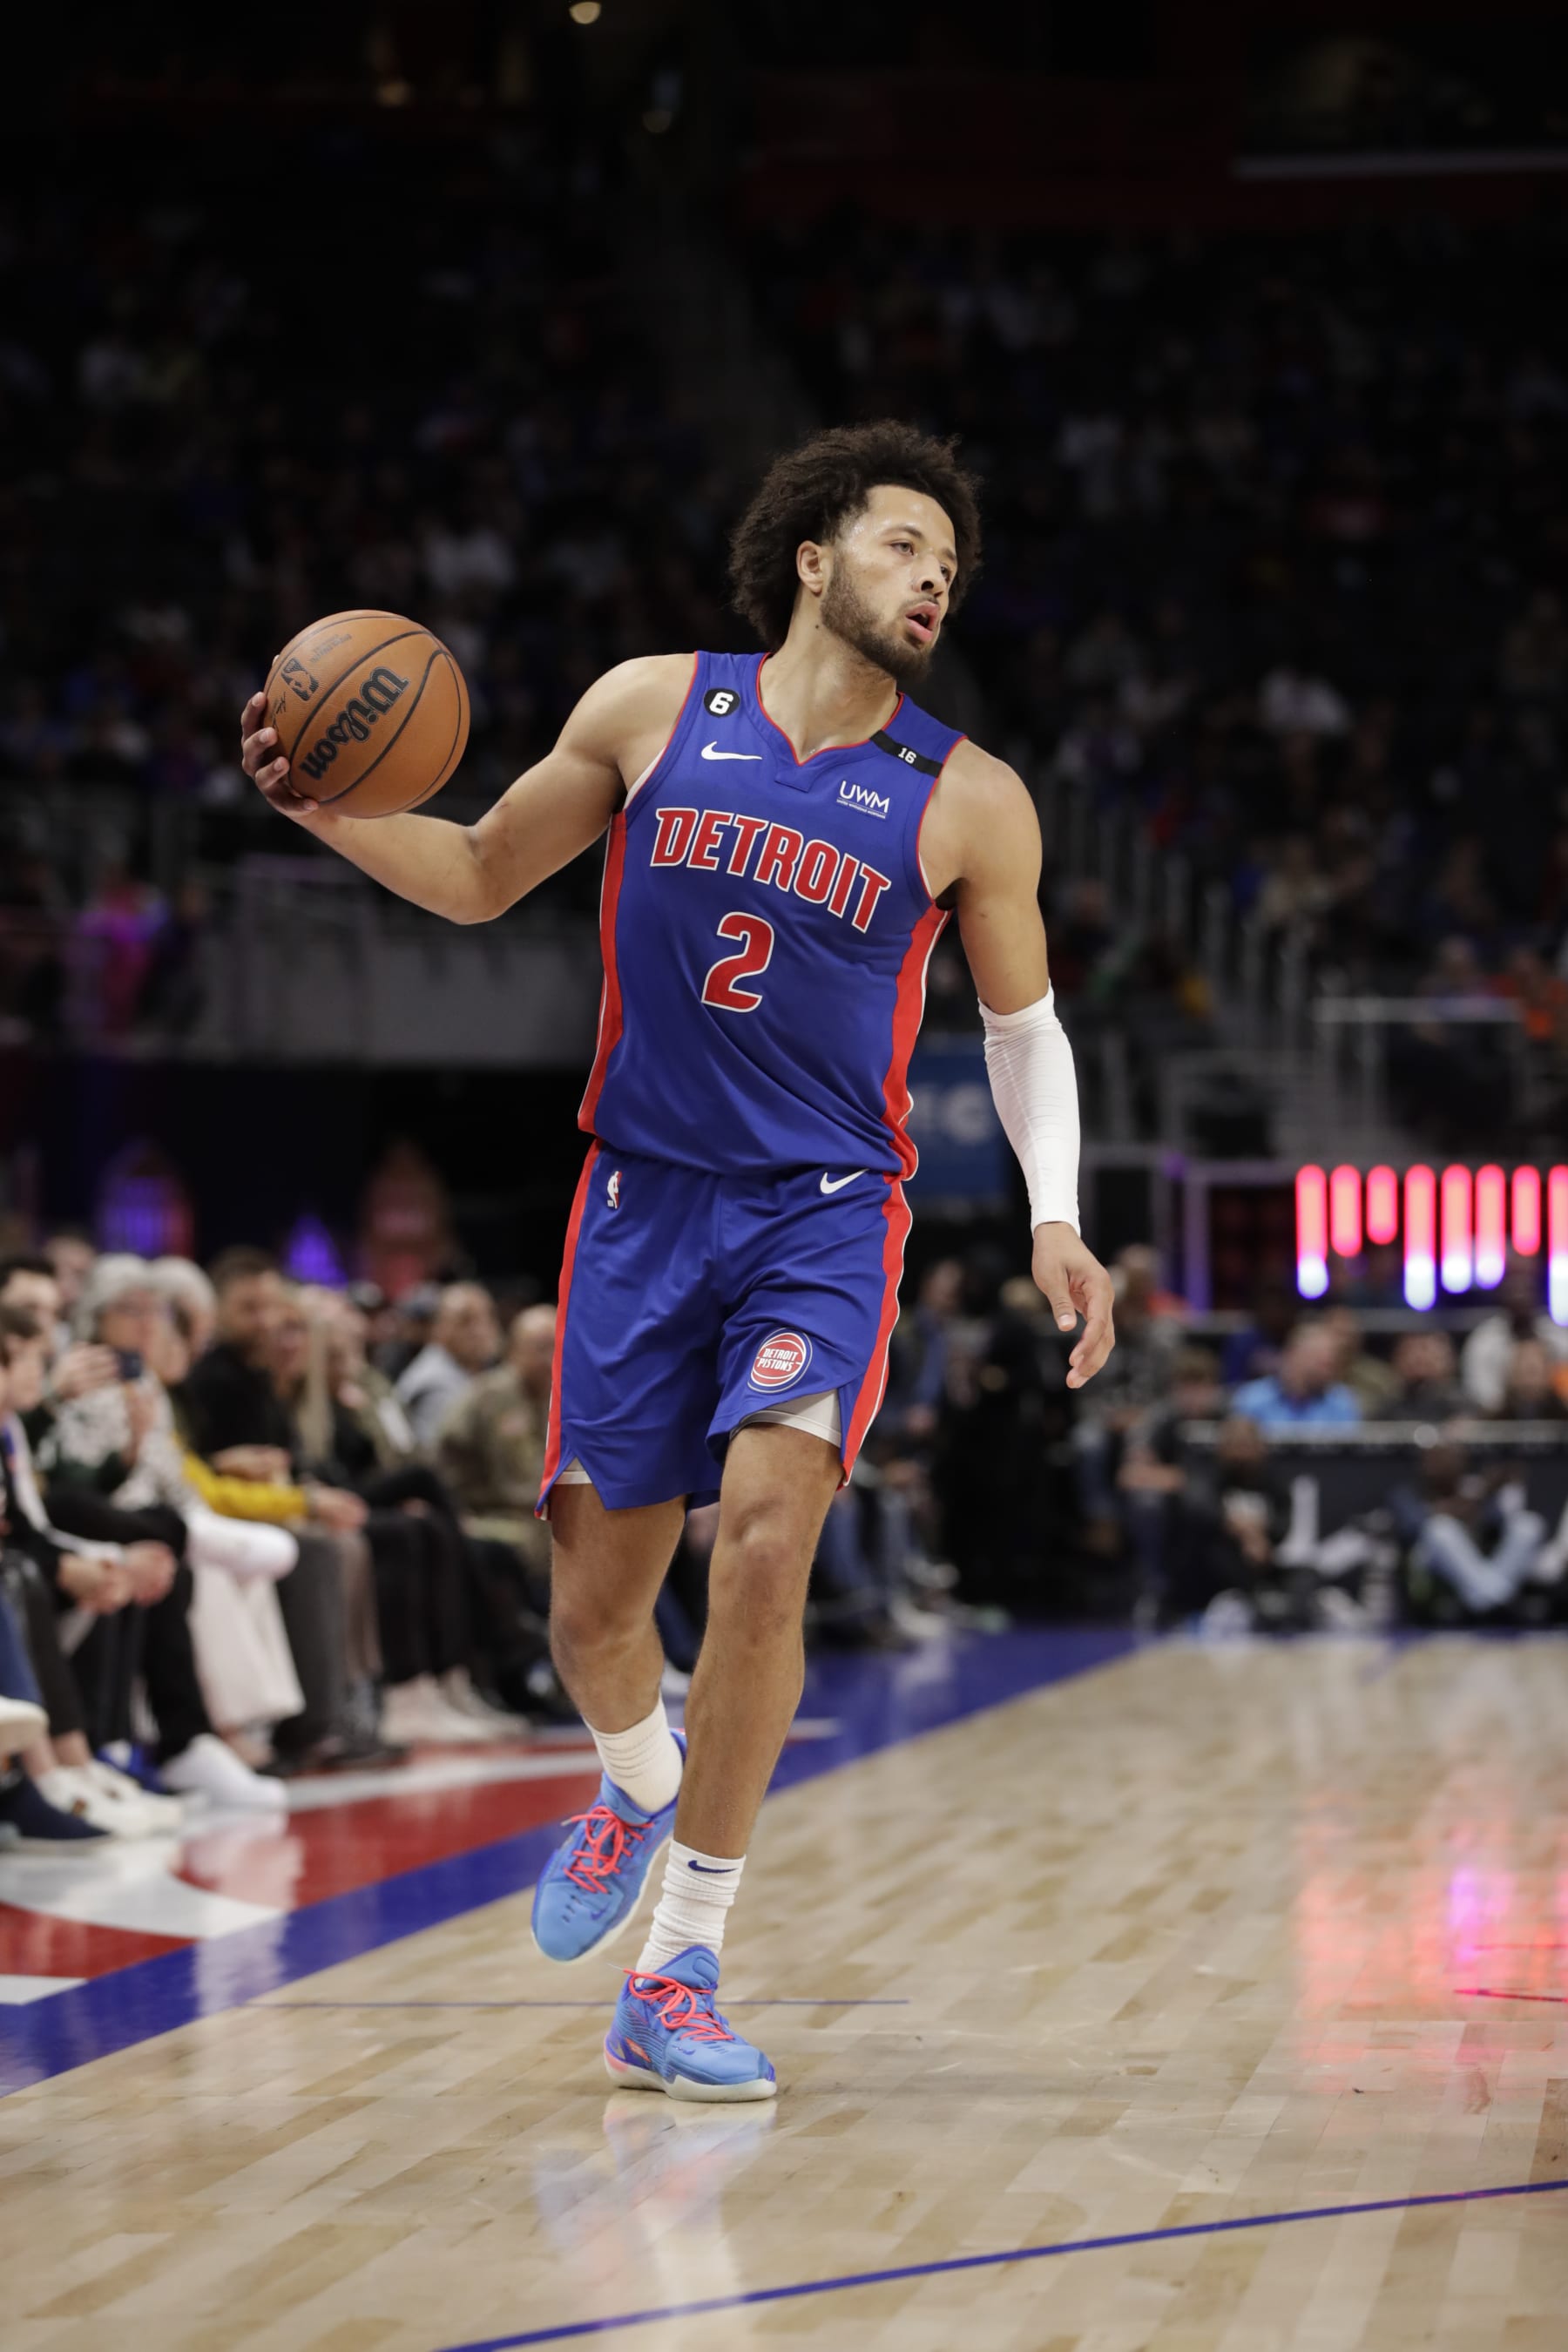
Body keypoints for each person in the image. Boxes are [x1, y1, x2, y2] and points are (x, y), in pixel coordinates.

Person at [241, 419, 1115, 2102]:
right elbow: (489, 872)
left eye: (951, 560)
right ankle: (635, 1776)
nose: (934, 574)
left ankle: (681, 1961)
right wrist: (332, 812)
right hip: (642, 1205)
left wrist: (1054, 1215)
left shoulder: (970, 798)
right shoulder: (653, 706)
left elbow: (1026, 1029)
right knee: (593, 1612)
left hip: (824, 1213)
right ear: (811, 556)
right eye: (900, 543)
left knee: (772, 1547)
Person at [434, 1303, 556, 1571]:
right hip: (478, 1511)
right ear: (514, 1350)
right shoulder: (497, 1396)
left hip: (515, 1509)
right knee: (564, 1538)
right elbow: (515, 1482)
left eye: (557, 1348)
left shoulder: (546, 1395)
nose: (550, 1359)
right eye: (541, 1348)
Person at [394, 1282, 503, 1447]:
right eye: (466, 1322)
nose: (480, 1330)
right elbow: (439, 1460)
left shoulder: (480, 1368)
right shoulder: (434, 1385)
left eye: (487, 1318)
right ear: (439, 1328)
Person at [1459, 1261, 1568, 1413]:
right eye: (1514, 1290)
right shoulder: (1484, 1340)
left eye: (1526, 1290)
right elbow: (1480, 1391)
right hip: (1500, 1417)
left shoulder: (1558, 1337)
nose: (1520, 1296)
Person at [1232, 1322, 1362, 1429]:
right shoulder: (1250, 1399)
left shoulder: (1342, 1402)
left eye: (1332, 1362)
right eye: (1321, 1360)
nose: (1329, 1369)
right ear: (1294, 1355)